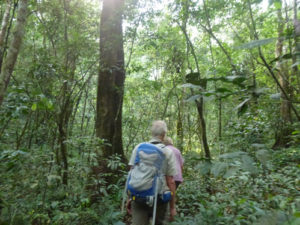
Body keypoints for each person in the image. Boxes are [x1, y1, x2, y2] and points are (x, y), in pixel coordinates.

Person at [126, 120, 177, 225]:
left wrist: (129, 198)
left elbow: (131, 173)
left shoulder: (138, 148)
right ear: (164, 135)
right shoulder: (168, 152)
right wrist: (172, 207)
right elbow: (171, 181)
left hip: (138, 197)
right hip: (159, 200)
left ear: (152, 134)